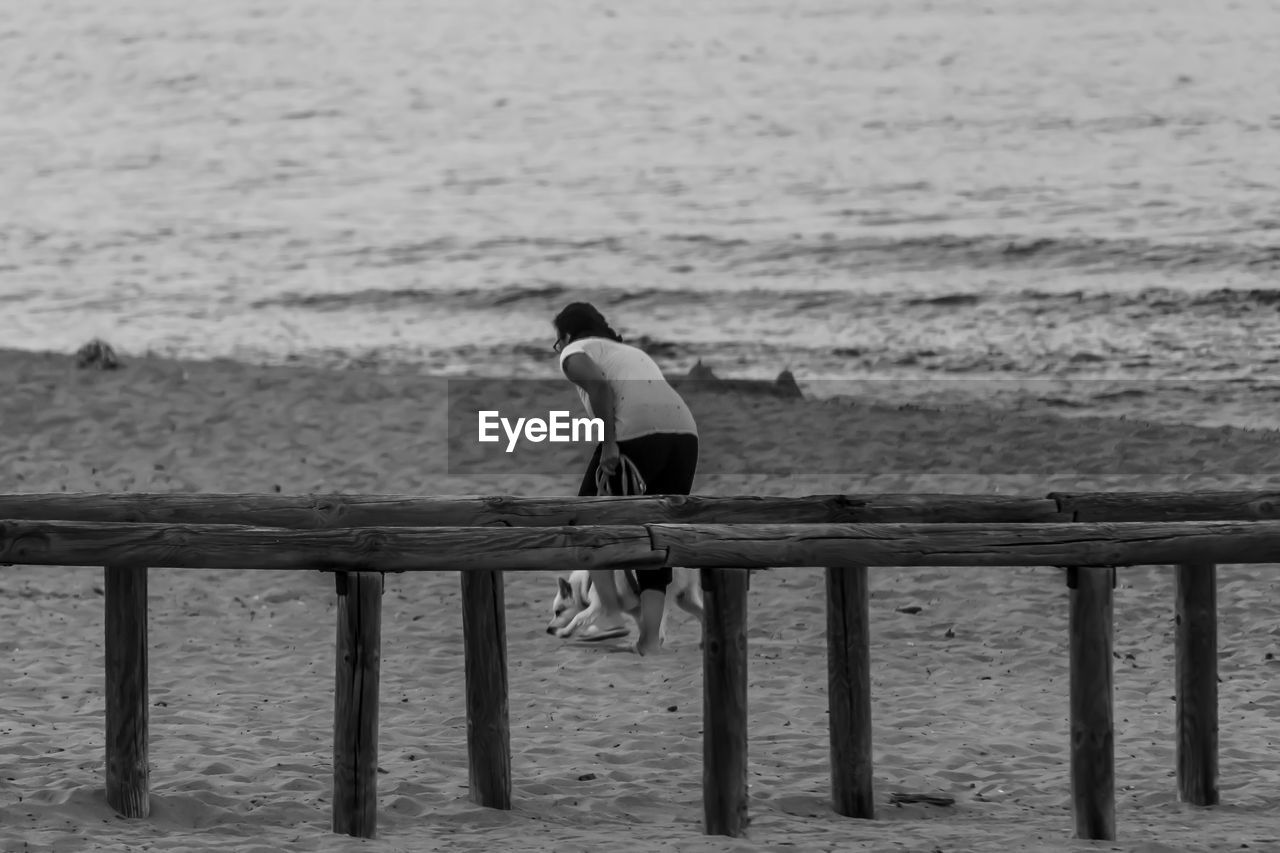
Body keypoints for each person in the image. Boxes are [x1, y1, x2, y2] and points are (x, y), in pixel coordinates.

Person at [553, 302, 698, 655]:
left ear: (568, 335)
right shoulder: (628, 351)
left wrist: (610, 445)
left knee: (586, 521)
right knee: (656, 537)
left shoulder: (574, 352)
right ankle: (649, 641)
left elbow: (601, 389)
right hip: (685, 435)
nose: (558, 349)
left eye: (557, 341)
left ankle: (611, 617)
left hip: (635, 434)